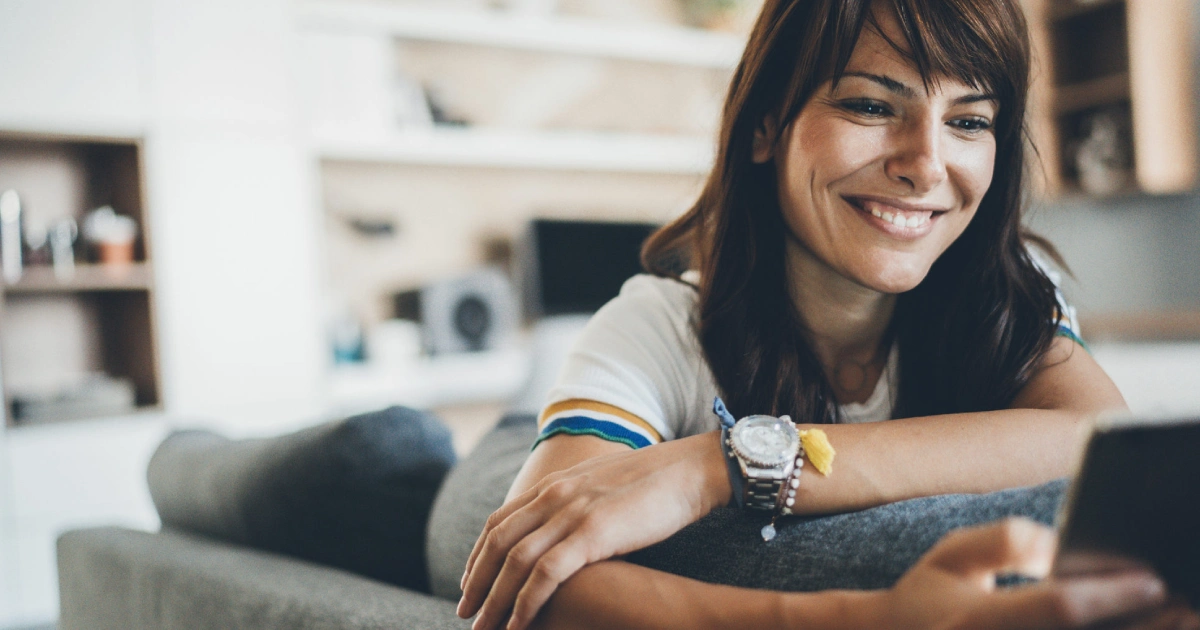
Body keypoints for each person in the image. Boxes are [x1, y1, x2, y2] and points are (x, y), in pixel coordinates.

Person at [458, 0, 1196, 628]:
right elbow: (535, 574)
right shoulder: (659, 324)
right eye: (871, 106)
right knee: (462, 488)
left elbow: (1093, 435)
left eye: (969, 121)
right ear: (765, 126)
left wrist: (719, 467)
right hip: (529, 437)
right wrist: (870, 618)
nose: (926, 164)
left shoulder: (1013, 293)